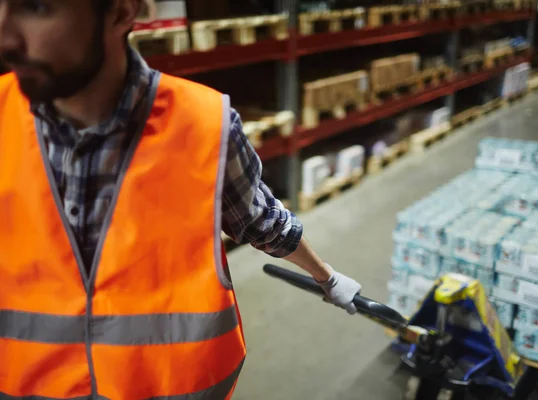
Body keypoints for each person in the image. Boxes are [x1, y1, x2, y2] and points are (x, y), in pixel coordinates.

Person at [0, 0, 362, 399]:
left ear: (121, 12)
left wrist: (326, 278)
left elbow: (262, 223)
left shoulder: (204, 123)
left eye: (35, 7)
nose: (6, 37)